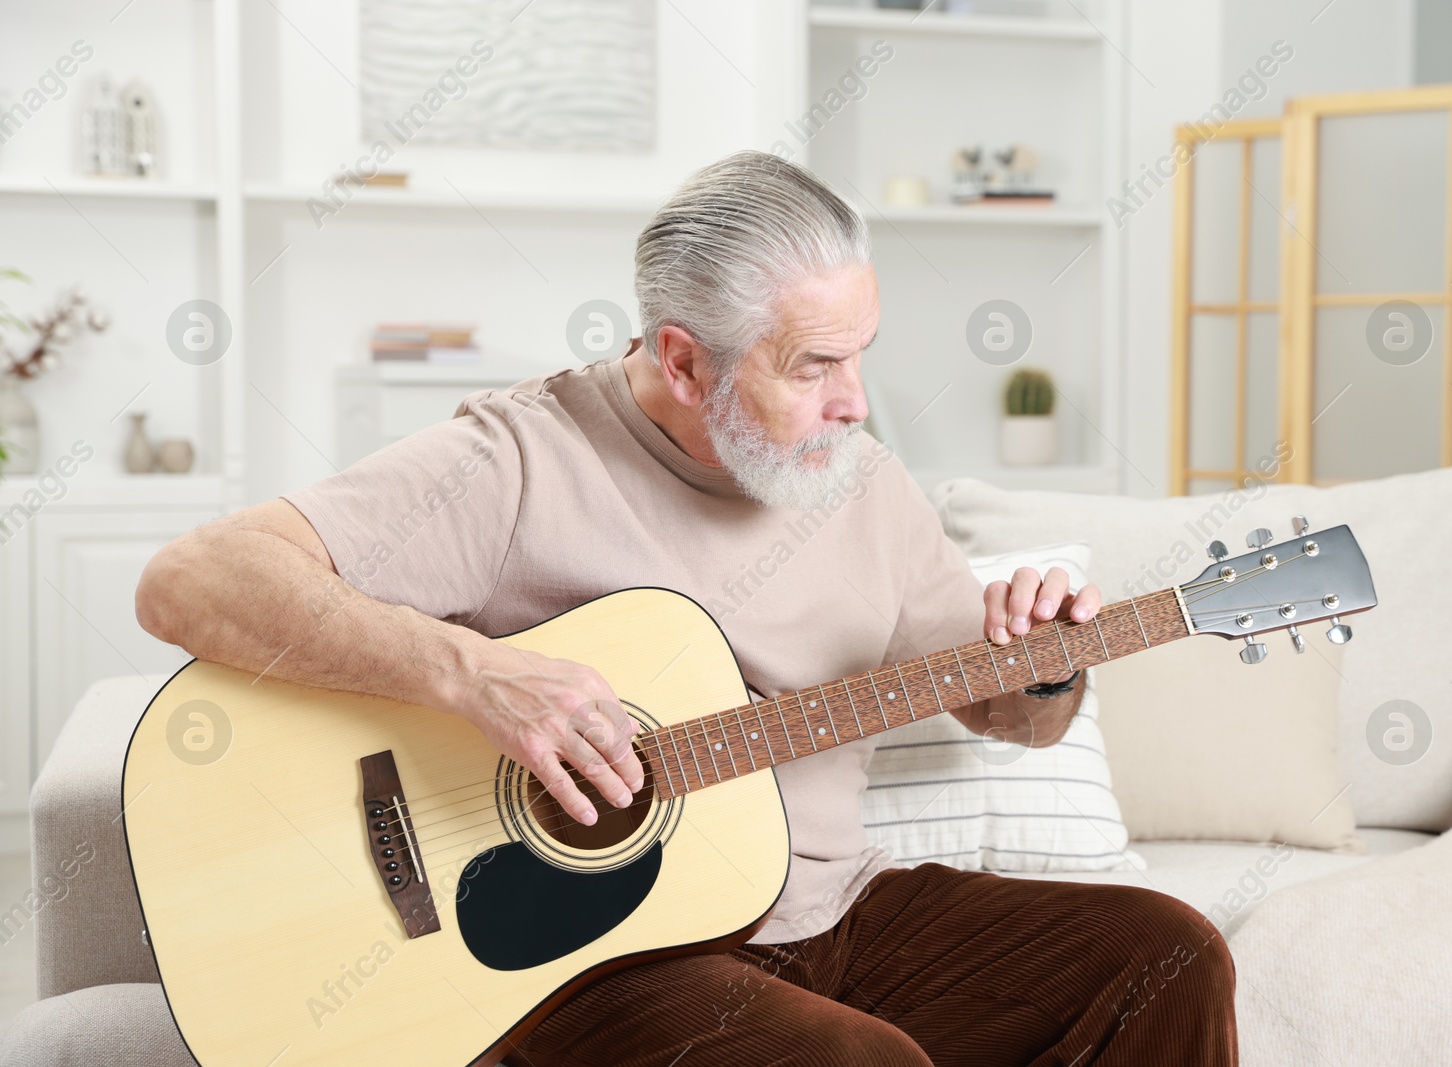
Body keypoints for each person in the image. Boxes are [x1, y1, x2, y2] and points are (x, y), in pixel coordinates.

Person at [136, 150, 1237, 1066]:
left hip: (840, 915)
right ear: (682, 359)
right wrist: (469, 675)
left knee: (1168, 949)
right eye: (814, 366)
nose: (854, 401)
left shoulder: (861, 477)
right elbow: (191, 578)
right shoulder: (518, 459)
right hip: (604, 961)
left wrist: (1044, 661)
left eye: (861, 357)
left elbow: (1007, 712)